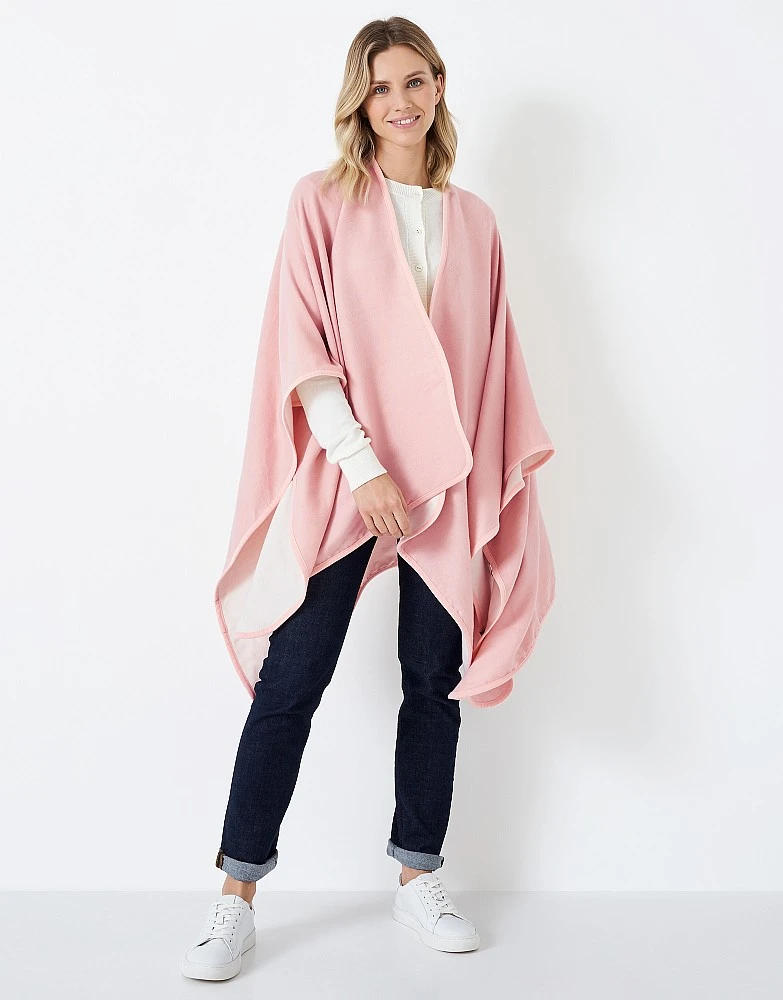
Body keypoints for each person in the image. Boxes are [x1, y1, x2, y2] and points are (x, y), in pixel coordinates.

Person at [182, 14, 556, 982]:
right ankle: (234, 896)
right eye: (382, 85)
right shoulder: (322, 201)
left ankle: (418, 874)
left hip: (448, 484)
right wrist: (363, 466)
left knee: (432, 680)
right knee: (291, 681)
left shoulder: (475, 221)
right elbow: (303, 350)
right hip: (352, 476)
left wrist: (469, 479)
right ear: (360, 98)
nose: (401, 101)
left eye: (415, 81)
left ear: (439, 87)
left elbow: (488, 365)